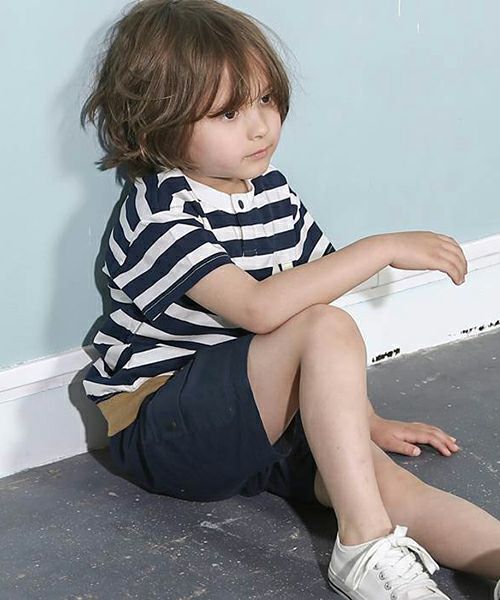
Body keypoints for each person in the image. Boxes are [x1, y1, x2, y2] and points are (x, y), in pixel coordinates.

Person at [80, 1, 500, 598]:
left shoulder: (271, 190)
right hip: (166, 428)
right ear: (158, 123)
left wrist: (363, 422)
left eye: (265, 100)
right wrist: (380, 247)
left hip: (263, 412)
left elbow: (309, 308)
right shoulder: (160, 212)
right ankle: (362, 545)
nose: (260, 127)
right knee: (323, 324)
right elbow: (260, 309)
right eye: (228, 113)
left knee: (389, 486)